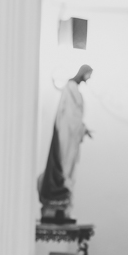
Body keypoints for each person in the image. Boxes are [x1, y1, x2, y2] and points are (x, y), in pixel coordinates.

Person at [37, 64, 93, 224]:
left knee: (68, 169)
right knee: (64, 166)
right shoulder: (71, 88)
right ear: (83, 73)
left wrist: (82, 129)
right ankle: (56, 203)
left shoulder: (73, 89)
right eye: (89, 74)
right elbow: (70, 116)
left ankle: (61, 206)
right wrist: (79, 128)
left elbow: (75, 117)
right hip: (66, 135)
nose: (89, 78)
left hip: (71, 134)